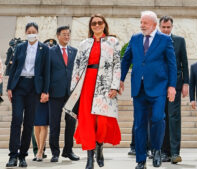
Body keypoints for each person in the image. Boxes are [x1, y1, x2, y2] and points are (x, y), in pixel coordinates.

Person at [63, 14, 121, 169]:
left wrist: (115, 86)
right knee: (86, 121)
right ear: (90, 26)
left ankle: (99, 146)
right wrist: (74, 89)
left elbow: (117, 65)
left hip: (104, 85)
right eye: (93, 23)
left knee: (102, 121)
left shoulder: (113, 42)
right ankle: (90, 157)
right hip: (86, 84)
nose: (96, 25)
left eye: (99, 22)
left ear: (104, 24)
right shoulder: (84, 43)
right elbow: (77, 66)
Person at [120, 11, 177, 169]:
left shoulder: (165, 40)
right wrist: (120, 80)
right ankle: (141, 160)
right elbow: (126, 60)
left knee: (158, 118)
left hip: (158, 87)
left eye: (145, 22)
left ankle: (157, 149)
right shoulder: (135, 38)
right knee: (139, 124)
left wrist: (172, 86)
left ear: (153, 24)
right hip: (139, 89)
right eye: (141, 22)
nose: (142, 25)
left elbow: (172, 64)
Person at [6, 22, 50, 167]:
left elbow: (46, 72)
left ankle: (23, 155)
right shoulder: (20, 47)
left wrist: (45, 91)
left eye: (34, 31)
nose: (31, 33)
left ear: (37, 32)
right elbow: (13, 68)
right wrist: (9, 87)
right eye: (29, 31)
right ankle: (13, 156)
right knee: (17, 119)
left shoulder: (44, 49)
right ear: (26, 33)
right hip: (19, 86)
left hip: (34, 88)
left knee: (29, 122)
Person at [159, 15, 189, 164]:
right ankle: (164, 152)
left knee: (174, 117)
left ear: (172, 27)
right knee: (161, 118)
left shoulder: (179, 41)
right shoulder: (155, 41)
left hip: (175, 85)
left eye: (168, 27)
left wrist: (186, 83)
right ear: (159, 27)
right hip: (158, 87)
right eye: (163, 27)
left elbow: (184, 62)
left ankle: (175, 152)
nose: (165, 30)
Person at [48, 26, 80, 163]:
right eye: (64, 34)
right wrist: (45, 91)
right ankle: (55, 152)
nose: (67, 36)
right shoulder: (50, 52)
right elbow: (46, 72)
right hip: (55, 93)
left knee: (71, 123)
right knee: (54, 124)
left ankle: (68, 150)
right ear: (58, 36)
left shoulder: (75, 52)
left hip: (71, 94)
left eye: (68, 34)